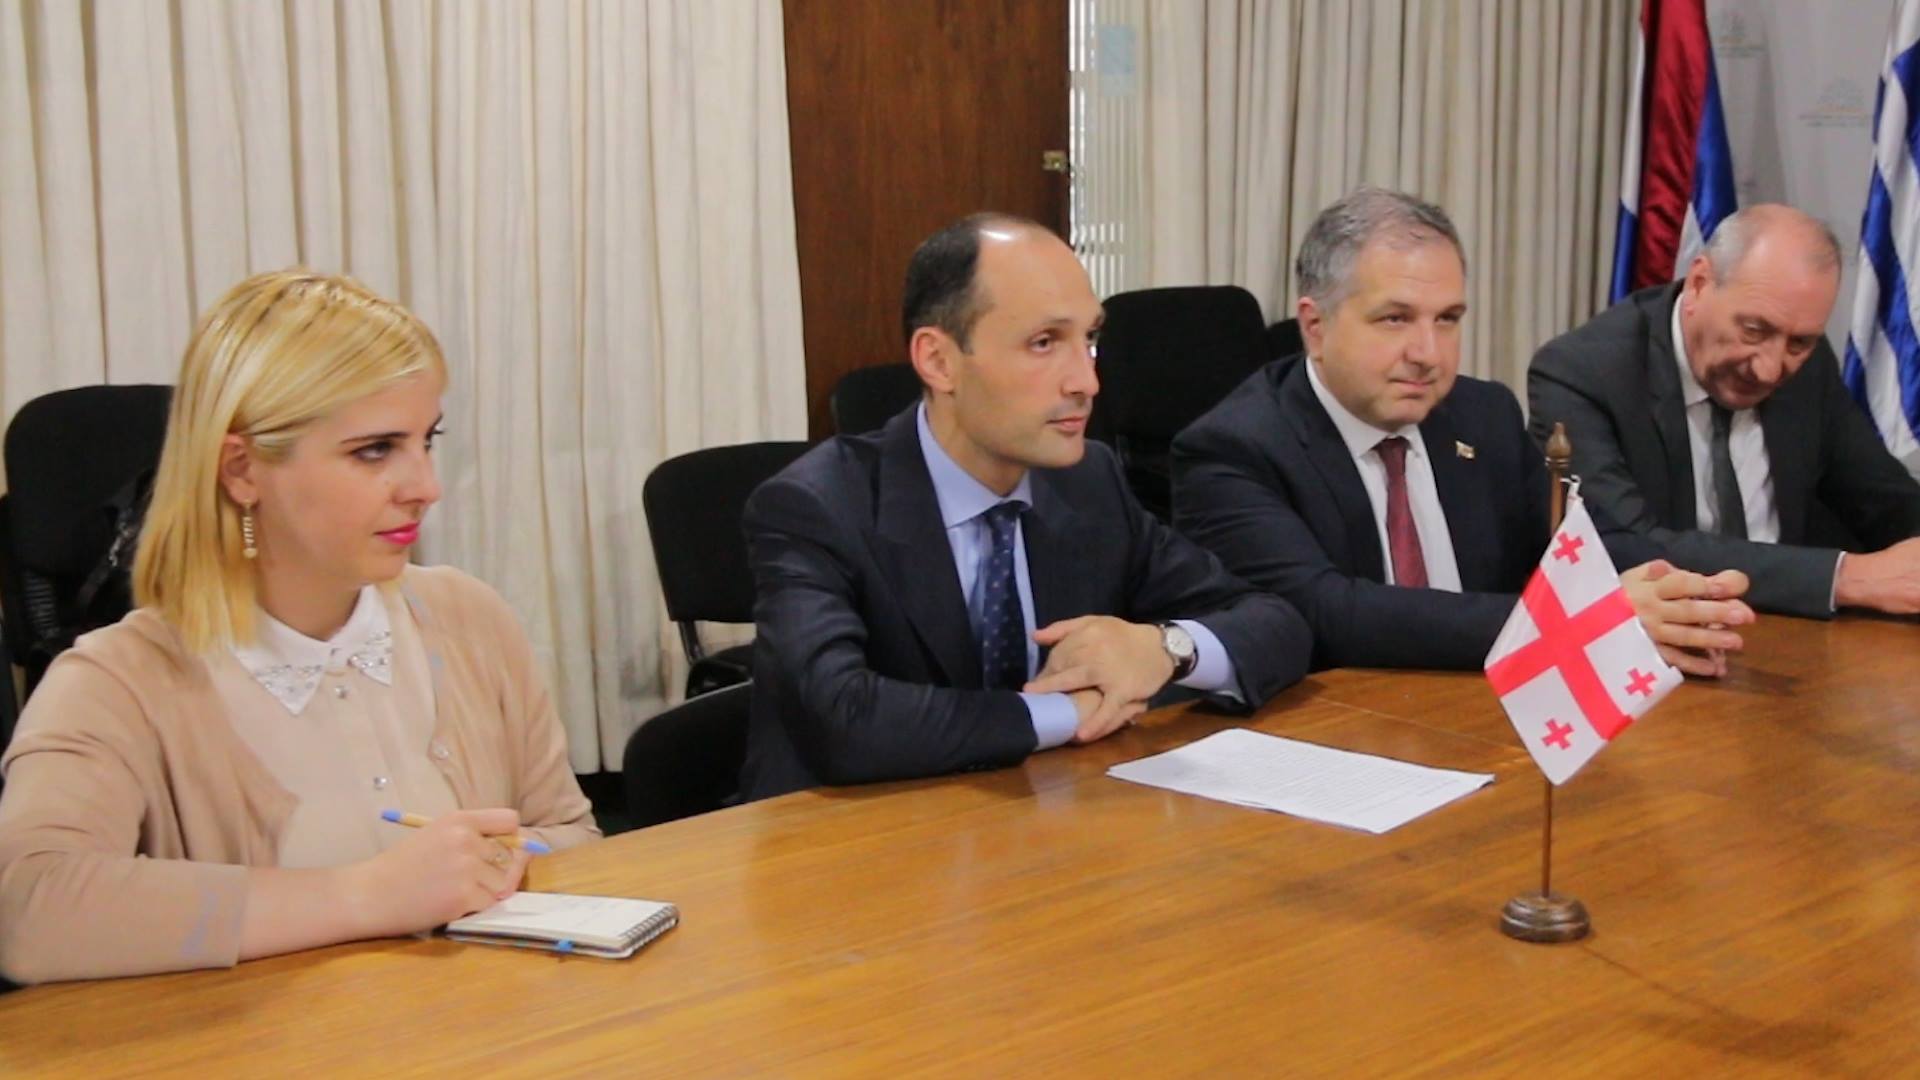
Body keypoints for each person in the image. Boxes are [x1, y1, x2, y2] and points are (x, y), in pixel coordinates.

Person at [0, 271, 599, 984]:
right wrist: (364, 897)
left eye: (427, 440)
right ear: (242, 470)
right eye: (375, 450)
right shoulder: (117, 681)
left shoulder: (470, 617)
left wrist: (503, 862)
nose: (426, 487)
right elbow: (28, 912)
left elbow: (573, 835)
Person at [740, 213, 1312, 801]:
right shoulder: (816, 505)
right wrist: (1070, 712)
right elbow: (842, 719)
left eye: (1090, 340)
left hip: (1037, 818)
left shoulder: (1088, 481)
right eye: (1044, 343)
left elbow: (1277, 621)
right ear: (938, 361)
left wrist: (1166, 650)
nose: (1087, 382)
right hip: (851, 834)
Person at [1173, 187, 1752, 674]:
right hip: (1338, 733)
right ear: (1315, 327)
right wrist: (1578, 622)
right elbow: (1327, 615)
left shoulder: (1481, 413)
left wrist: (1681, 594)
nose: (1428, 353)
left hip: (1491, 715)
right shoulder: (1234, 450)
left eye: (1448, 319)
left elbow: (1580, 540)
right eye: (1395, 318)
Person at [1529, 204, 1920, 618]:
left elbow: (1885, 501)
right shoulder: (1582, 374)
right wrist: (1842, 578)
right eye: (1754, 331)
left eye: (1798, 344)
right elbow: (1623, 546)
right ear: (1699, 284)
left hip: (1794, 634)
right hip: (1656, 641)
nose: (1770, 369)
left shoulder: (1809, 364)